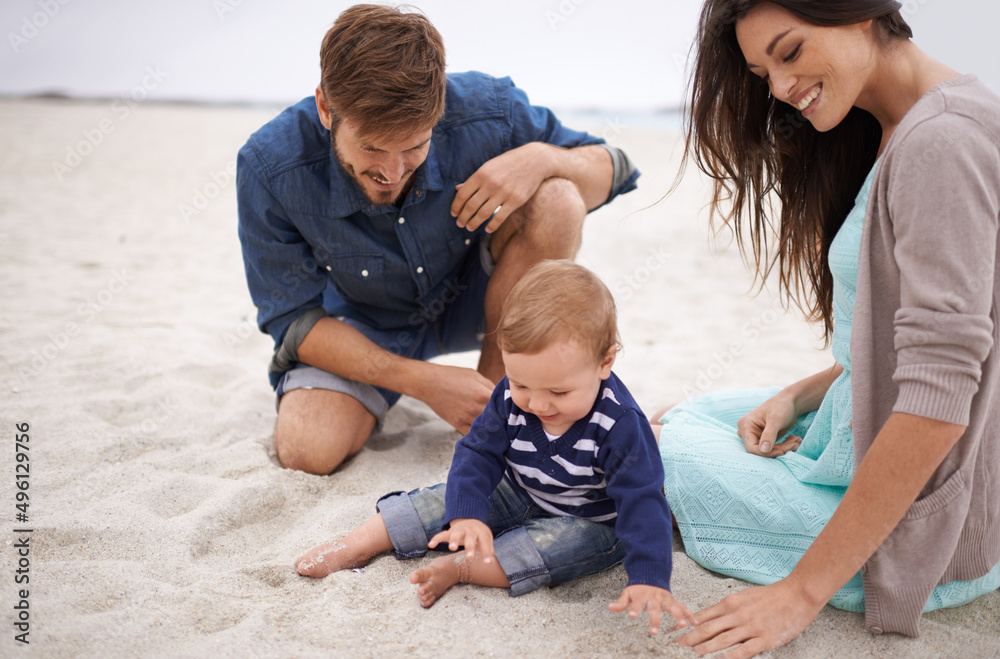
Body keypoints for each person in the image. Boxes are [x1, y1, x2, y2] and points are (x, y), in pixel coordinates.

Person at [652, 1, 1000, 656]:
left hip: (918, 515)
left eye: (790, 52)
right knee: (685, 413)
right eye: (763, 73)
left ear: (858, 12)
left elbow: (940, 398)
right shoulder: (904, 122)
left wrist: (800, 593)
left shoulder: (943, 143)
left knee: (652, 443)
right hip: (853, 423)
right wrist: (800, 395)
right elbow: (908, 343)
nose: (780, 89)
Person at [236, 5, 638, 475]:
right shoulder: (268, 164)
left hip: (483, 297)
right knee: (307, 451)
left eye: (414, 147)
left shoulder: (489, 108)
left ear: (440, 108)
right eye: (371, 148)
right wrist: (424, 382)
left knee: (559, 197)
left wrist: (540, 158)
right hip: (364, 320)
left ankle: (498, 401)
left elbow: (617, 167)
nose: (391, 173)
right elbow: (293, 321)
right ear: (327, 108)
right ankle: (456, 396)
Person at [295, 260, 693, 633]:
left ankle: (461, 568)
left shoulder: (620, 424)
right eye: (521, 384)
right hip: (518, 487)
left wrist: (649, 579)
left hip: (590, 517)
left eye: (558, 391)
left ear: (605, 363)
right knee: (440, 500)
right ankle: (358, 543)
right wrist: (467, 513)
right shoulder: (508, 396)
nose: (537, 404)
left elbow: (643, 502)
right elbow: (478, 453)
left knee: (551, 549)